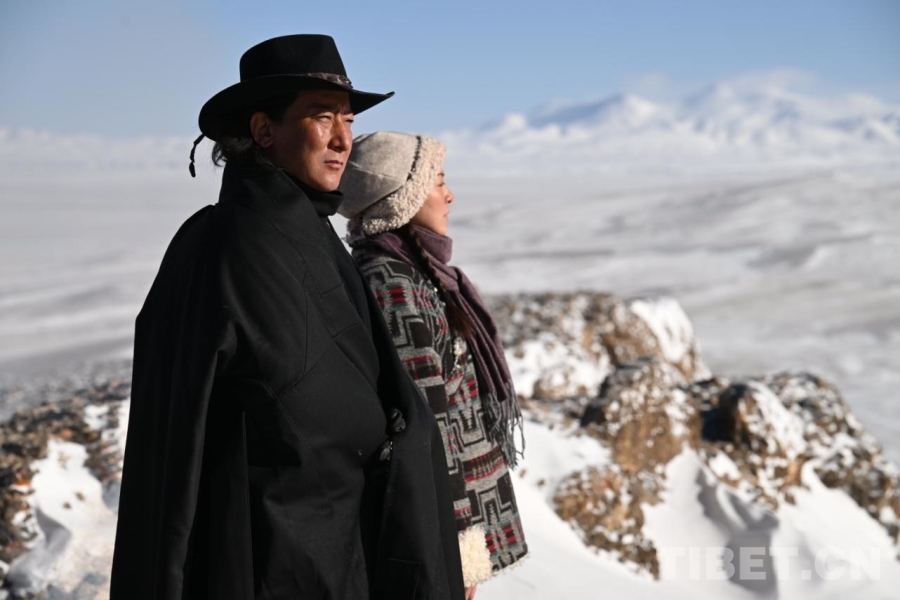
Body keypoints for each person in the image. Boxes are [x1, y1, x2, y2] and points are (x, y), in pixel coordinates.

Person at [110, 36, 465, 600]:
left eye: (348, 120)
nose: (343, 139)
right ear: (263, 130)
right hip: (267, 558)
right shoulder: (219, 248)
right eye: (322, 117)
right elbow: (174, 448)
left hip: (345, 549)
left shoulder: (314, 236)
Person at [339, 132, 529, 599]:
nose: (450, 195)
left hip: (455, 515)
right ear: (400, 199)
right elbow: (429, 430)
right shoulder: (393, 285)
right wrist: (461, 551)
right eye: (437, 181)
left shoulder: (416, 273)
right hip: (444, 525)